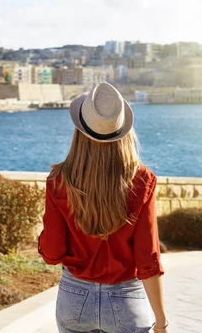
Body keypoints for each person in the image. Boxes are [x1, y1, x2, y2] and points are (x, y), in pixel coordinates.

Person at [38, 82, 168, 333]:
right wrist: (161, 321)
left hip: (74, 299)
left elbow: (52, 254)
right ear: (122, 133)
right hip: (126, 300)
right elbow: (148, 258)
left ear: (79, 131)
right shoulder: (142, 181)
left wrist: (42, 243)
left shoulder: (59, 180)